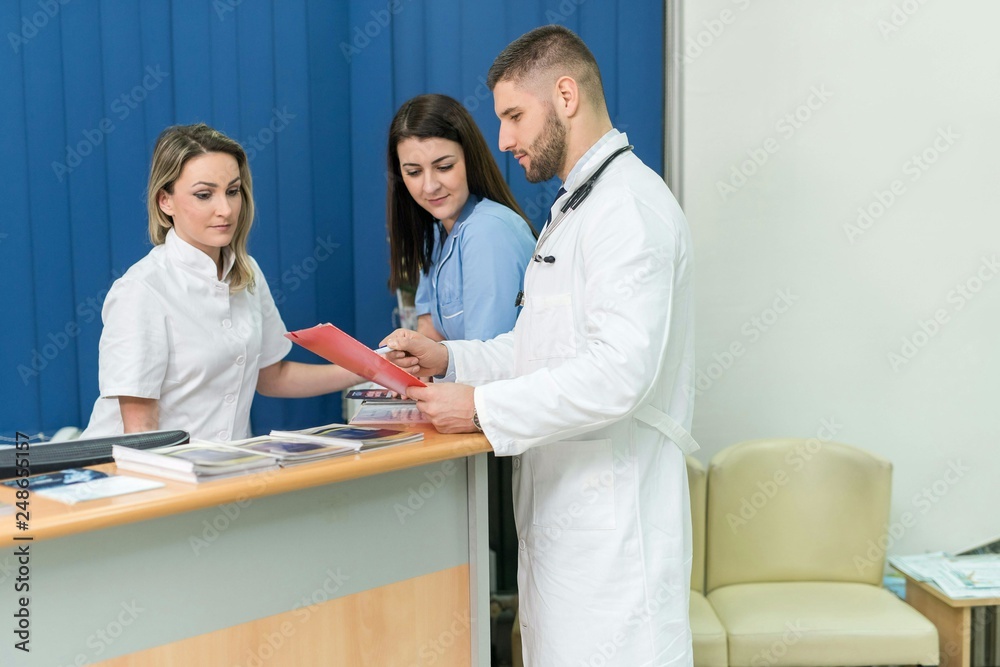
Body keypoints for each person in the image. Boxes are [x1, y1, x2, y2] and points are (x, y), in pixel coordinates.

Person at [382, 26, 698, 667]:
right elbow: (537, 347)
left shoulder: (627, 211)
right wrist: (452, 361)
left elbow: (619, 374)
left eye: (513, 116)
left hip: (612, 539)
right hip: (562, 527)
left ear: (565, 94)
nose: (502, 140)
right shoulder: (574, 209)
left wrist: (480, 409)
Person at [82, 123, 362, 441]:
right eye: (204, 195)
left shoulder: (247, 273)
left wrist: (370, 370)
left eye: (232, 191)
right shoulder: (141, 290)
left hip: (223, 469)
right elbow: (140, 433)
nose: (226, 209)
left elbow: (273, 376)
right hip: (150, 476)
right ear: (165, 201)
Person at [387, 93, 536, 343]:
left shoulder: (487, 232)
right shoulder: (435, 234)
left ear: (470, 159)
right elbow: (429, 332)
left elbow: (486, 365)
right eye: (413, 172)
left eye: (444, 167)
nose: (429, 186)